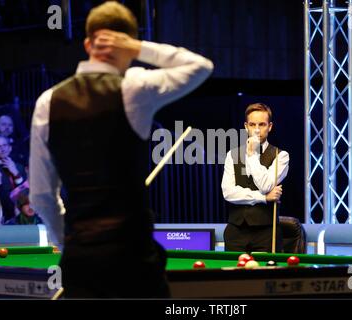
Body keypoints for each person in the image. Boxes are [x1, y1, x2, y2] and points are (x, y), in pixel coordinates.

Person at [30, 1, 213, 298]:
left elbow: (40, 196)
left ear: (87, 43)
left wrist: (69, 243)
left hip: (80, 260)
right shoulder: (136, 87)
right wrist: (140, 47)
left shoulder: (47, 102)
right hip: (133, 258)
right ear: (128, 44)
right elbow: (201, 67)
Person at [221, 103, 291, 253]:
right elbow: (228, 192)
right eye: (252, 124)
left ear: (270, 126)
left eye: (262, 124)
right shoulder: (232, 155)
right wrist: (263, 198)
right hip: (235, 232)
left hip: (266, 233)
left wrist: (252, 155)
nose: (257, 129)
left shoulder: (281, 156)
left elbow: (265, 184)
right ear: (246, 127)